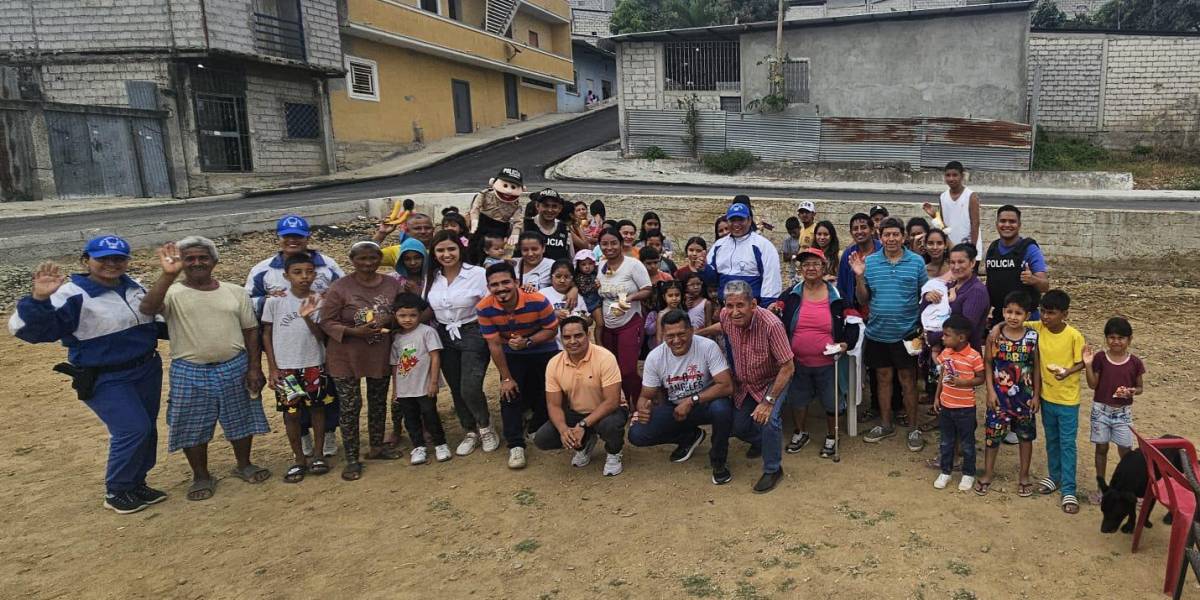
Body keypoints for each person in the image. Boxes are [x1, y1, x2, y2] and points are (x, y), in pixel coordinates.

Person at [9, 236, 165, 513]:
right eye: (103, 258)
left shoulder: (133, 287)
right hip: (106, 375)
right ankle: (117, 490)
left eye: (118, 258)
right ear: (86, 261)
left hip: (146, 368)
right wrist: (40, 299)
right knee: (132, 428)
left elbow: (154, 323)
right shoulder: (71, 294)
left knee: (147, 428)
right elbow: (26, 329)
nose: (111, 264)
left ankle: (136, 482)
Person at [140, 236, 271, 501]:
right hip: (189, 369)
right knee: (192, 424)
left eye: (203, 257)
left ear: (214, 261)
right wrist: (168, 275)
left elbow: (251, 331)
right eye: (189, 258)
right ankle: (201, 475)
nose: (197, 263)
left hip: (234, 364)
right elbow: (147, 309)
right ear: (181, 263)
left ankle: (244, 464)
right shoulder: (172, 293)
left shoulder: (235, 291)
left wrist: (254, 367)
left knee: (241, 417)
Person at [246, 214, 344, 459]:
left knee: (325, 393)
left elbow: (342, 290)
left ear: (307, 237)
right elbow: (248, 301)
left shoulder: (327, 264)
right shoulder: (263, 270)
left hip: (319, 341)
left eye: (298, 237)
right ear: (279, 238)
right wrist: (269, 299)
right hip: (285, 344)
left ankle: (329, 432)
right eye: (287, 236)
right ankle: (302, 439)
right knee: (292, 404)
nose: (293, 241)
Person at [318, 241, 404, 481]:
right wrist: (355, 332)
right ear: (352, 260)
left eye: (372, 258)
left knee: (378, 401)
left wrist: (387, 321)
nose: (368, 264)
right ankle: (352, 458)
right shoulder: (340, 287)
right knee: (350, 406)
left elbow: (401, 313)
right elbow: (326, 321)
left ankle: (376, 446)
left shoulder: (391, 284)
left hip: (378, 353)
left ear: (380, 259)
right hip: (345, 355)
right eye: (362, 259)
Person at [630, 310, 736, 485]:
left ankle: (719, 461)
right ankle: (689, 437)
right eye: (670, 336)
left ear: (691, 330)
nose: (676, 340)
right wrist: (643, 408)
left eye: (681, 334)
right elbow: (645, 395)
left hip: (705, 404)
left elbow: (726, 386)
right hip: (676, 409)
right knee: (637, 434)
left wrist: (691, 400)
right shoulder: (655, 357)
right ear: (663, 335)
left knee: (722, 409)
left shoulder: (707, 346)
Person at [708, 281, 794, 493]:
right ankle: (762, 442)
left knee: (769, 419)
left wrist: (768, 401)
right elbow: (722, 327)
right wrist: (699, 333)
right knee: (738, 426)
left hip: (772, 380)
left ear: (753, 304)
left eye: (740, 306)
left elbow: (788, 367)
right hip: (745, 382)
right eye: (730, 306)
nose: (735, 312)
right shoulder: (726, 317)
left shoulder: (771, 325)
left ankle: (773, 469)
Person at [851, 218, 929, 450]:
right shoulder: (870, 263)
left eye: (896, 234)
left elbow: (924, 296)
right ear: (880, 236)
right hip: (878, 332)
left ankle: (914, 428)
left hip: (907, 333)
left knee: (908, 381)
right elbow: (863, 299)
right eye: (887, 235)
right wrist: (859, 276)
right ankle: (885, 424)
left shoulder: (916, 263)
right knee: (882, 380)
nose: (892, 239)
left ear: (903, 236)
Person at [476, 262, 560, 469]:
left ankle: (538, 424)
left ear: (516, 282)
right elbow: (494, 344)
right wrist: (506, 378)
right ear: (488, 287)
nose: (501, 288)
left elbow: (552, 330)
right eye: (494, 285)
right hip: (511, 352)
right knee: (509, 394)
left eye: (506, 282)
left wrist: (528, 342)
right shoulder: (484, 308)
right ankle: (515, 444)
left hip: (542, 348)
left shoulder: (538, 301)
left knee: (547, 390)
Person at [424, 231, 500, 456]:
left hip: (473, 331)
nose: (446, 254)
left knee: (470, 384)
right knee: (456, 387)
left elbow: (491, 302)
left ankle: (486, 426)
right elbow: (428, 307)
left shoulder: (477, 274)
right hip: (444, 335)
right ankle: (470, 430)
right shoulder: (432, 276)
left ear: (460, 250)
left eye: (451, 249)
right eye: (440, 250)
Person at [261, 253, 331, 484]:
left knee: (317, 409)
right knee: (291, 414)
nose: (304, 277)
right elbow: (267, 334)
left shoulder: (319, 300)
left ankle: (319, 454)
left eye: (309, 272)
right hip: (286, 368)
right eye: (297, 272)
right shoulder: (275, 300)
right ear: (286, 275)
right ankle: (299, 458)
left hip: (313, 364)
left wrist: (309, 317)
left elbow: (322, 336)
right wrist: (272, 367)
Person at [781, 248, 856, 459]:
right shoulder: (791, 294)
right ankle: (800, 432)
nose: (810, 268)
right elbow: (776, 315)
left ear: (824, 267)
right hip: (797, 361)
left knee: (831, 401)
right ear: (801, 269)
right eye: (806, 265)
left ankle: (832, 436)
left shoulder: (838, 296)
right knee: (798, 399)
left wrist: (845, 344)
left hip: (829, 362)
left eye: (815, 264)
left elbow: (853, 323)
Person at [534, 316, 627, 476]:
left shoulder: (605, 357)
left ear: (588, 335)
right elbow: (553, 405)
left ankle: (614, 452)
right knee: (543, 438)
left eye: (578, 335)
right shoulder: (554, 364)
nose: (572, 341)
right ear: (560, 339)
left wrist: (583, 425)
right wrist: (564, 430)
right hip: (576, 412)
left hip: (607, 411)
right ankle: (583, 444)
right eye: (567, 337)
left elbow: (612, 401)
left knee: (610, 425)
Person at [1027, 290, 1086, 514]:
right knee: (1051, 439)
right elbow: (1016, 321)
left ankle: (1069, 489)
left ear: (1065, 314)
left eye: (1051, 313)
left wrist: (1068, 371)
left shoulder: (1074, 336)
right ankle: (1054, 477)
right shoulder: (1038, 328)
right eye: (1043, 311)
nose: (1045, 317)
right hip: (1046, 397)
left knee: (1067, 443)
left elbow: (1081, 363)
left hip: (1068, 400)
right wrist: (996, 327)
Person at [978, 291, 1040, 497]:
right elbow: (988, 363)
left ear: (1027, 315)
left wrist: (1037, 395)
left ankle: (1024, 475)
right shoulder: (994, 336)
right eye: (1009, 312)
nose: (1013, 317)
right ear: (1003, 312)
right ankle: (987, 473)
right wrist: (989, 391)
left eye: (1018, 313)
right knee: (992, 436)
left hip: (1024, 397)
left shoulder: (1032, 338)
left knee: (1025, 436)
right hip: (999, 397)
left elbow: (1036, 368)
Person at [1082, 316, 1144, 502]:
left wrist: (1132, 391)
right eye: (1112, 337)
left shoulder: (1135, 362)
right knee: (1101, 449)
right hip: (1101, 411)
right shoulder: (1100, 358)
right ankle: (1102, 489)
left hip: (1123, 414)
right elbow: (1093, 385)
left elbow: (1140, 388)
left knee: (1126, 451)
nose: (1116, 341)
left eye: (1121, 338)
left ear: (1129, 339)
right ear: (1106, 338)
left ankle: (1129, 489)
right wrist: (1088, 364)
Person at [389, 293, 449, 466]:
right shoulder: (397, 338)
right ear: (395, 315)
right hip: (405, 388)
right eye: (402, 315)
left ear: (420, 315)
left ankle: (440, 444)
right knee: (410, 417)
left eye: (412, 315)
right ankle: (418, 446)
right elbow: (395, 365)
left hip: (424, 385)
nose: (407, 319)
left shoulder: (427, 332)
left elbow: (435, 356)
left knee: (430, 414)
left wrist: (433, 381)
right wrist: (395, 390)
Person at [595, 228, 653, 405]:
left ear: (621, 244)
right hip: (608, 324)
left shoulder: (633, 265)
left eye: (613, 243)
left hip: (630, 321)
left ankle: (637, 405)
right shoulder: (601, 266)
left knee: (628, 369)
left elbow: (647, 289)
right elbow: (600, 290)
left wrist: (630, 298)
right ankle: (619, 403)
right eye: (604, 244)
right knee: (612, 369)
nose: (609, 247)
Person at [932, 315, 985, 492]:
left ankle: (968, 473)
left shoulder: (974, 356)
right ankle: (945, 471)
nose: (943, 338)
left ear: (961, 337)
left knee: (967, 443)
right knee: (946, 441)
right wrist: (937, 396)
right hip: (946, 405)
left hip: (965, 408)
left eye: (947, 335)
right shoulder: (946, 353)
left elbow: (981, 378)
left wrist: (964, 383)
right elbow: (942, 375)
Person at [703, 202, 782, 306]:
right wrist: (703, 268)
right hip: (726, 307)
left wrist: (766, 306)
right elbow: (711, 280)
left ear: (749, 220)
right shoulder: (719, 245)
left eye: (740, 219)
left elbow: (771, 280)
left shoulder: (763, 245)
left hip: (753, 308)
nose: (736, 224)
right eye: (733, 220)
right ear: (728, 221)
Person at [985, 205, 1049, 325]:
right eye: (1003, 221)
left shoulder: (1029, 249)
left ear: (1019, 225)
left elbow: (1045, 286)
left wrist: (1033, 280)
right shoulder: (993, 249)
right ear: (996, 224)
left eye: (1012, 221)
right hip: (1000, 316)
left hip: (1025, 319)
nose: (1007, 225)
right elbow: (990, 284)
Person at [465, 167, 527, 260]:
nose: (508, 191)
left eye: (513, 187)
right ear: (493, 182)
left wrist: (515, 232)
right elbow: (475, 208)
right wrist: (474, 221)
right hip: (482, 223)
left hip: (500, 228)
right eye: (505, 185)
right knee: (475, 247)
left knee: (497, 251)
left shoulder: (517, 204)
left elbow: (518, 220)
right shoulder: (485, 194)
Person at [925, 161, 982, 256]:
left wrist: (972, 249)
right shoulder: (943, 196)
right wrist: (934, 215)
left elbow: (975, 224)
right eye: (948, 175)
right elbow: (943, 226)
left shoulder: (971, 196)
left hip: (968, 248)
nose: (951, 178)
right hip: (951, 248)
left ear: (962, 176)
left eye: (955, 175)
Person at [539, 259, 593, 349]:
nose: (562, 280)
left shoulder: (577, 297)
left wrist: (579, 318)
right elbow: (535, 318)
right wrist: (553, 314)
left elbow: (589, 321)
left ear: (572, 278)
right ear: (551, 277)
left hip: (575, 347)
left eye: (567, 277)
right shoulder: (543, 294)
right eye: (558, 276)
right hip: (551, 347)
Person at [835, 213, 881, 311]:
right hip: (856, 313)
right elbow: (842, 286)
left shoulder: (882, 250)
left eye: (863, 227)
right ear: (851, 233)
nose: (859, 231)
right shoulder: (848, 254)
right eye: (855, 229)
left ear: (872, 230)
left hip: (880, 311)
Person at [517, 189, 573, 262]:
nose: (550, 210)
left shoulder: (564, 228)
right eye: (545, 205)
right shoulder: (524, 225)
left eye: (554, 206)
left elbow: (570, 257)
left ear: (560, 209)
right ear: (537, 206)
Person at [652, 279, 686, 346]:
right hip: (667, 346)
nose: (674, 298)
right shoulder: (662, 314)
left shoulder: (683, 312)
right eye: (670, 295)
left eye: (677, 295)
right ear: (664, 297)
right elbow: (659, 336)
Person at [782, 217, 803, 283]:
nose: (792, 234)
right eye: (790, 233)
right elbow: (785, 258)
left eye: (794, 232)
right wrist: (795, 255)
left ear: (799, 228)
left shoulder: (805, 238)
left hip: (804, 274)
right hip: (793, 274)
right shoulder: (787, 240)